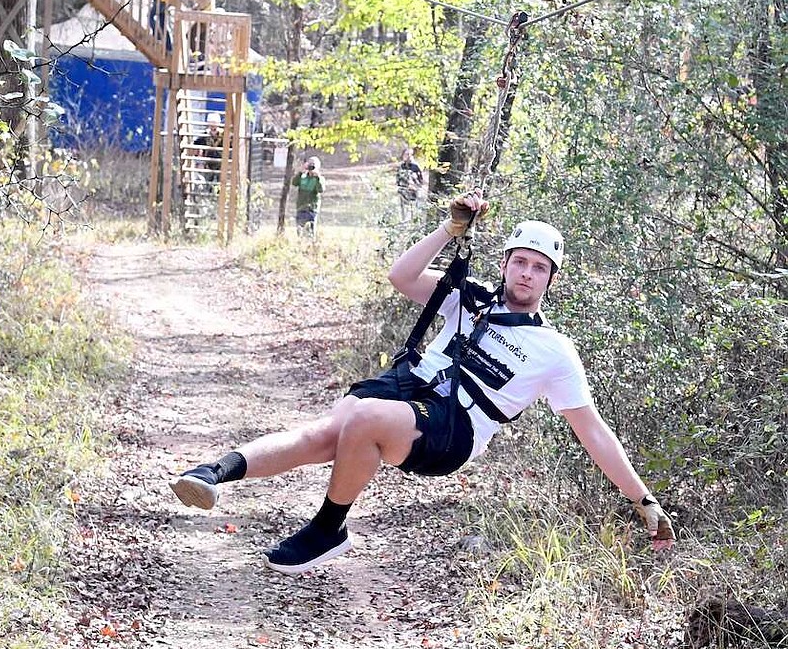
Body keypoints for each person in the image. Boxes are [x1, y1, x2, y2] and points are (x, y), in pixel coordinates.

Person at [169, 190, 676, 575]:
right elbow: (402, 276)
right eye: (519, 261)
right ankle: (213, 473)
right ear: (504, 264)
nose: (526, 273)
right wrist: (449, 230)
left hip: (454, 429)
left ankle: (328, 528)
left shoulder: (555, 351)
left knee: (365, 420)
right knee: (328, 431)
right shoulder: (469, 296)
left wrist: (642, 498)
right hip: (409, 388)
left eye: (538, 267)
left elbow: (592, 431)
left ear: (551, 280)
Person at [292, 156, 325, 236]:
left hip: (312, 209)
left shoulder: (320, 179)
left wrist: (317, 177)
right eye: (310, 164)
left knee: (310, 232)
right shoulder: (303, 177)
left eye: (313, 165)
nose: (311, 167)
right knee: (300, 231)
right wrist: (300, 172)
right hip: (301, 207)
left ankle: (309, 246)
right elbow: (294, 183)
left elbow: (320, 190)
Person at [193, 112, 224, 183]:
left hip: (221, 163)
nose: (213, 126)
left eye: (214, 123)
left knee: (221, 183)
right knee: (208, 184)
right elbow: (195, 146)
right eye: (211, 124)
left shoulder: (224, 135)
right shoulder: (205, 135)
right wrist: (199, 161)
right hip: (208, 164)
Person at [396, 146, 424, 221]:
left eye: (409, 154)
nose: (407, 156)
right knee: (404, 209)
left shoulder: (415, 166)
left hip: (413, 191)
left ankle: (414, 220)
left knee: (413, 208)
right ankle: (404, 221)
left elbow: (421, 179)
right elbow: (398, 179)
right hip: (403, 190)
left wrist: (416, 186)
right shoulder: (401, 166)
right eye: (406, 154)